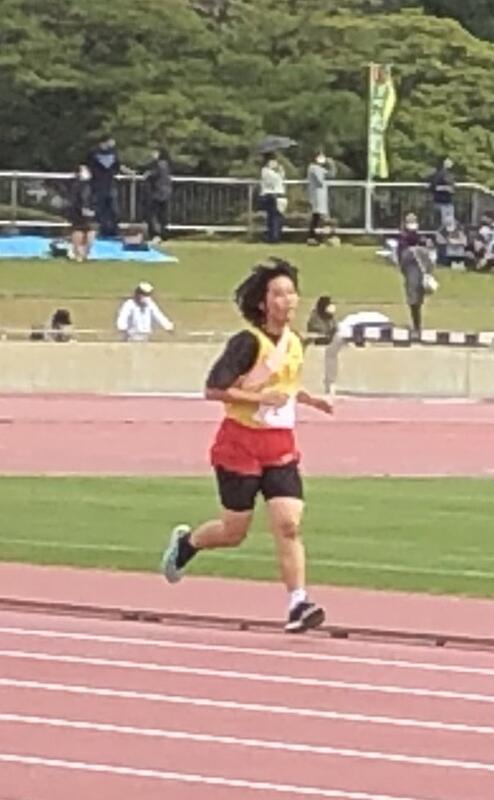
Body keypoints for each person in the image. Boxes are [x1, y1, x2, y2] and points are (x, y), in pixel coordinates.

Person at [161, 259, 333, 633]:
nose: (287, 300)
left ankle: (298, 603)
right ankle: (188, 544)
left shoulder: (295, 342)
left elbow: (285, 385)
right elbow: (214, 389)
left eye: (291, 293)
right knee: (233, 531)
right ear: (262, 302)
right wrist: (258, 399)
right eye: (278, 294)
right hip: (239, 444)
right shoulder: (247, 343)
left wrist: (310, 399)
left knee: (288, 524)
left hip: (280, 445)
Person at [86, 135, 133, 238]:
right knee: (100, 209)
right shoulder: (93, 152)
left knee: (114, 209)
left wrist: (130, 172)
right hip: (98, 184)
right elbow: (86, 164)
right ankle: (103, 230)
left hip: (111, 184)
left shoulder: (113, 153)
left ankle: (114, 230)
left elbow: (118, 165)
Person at [397, 213, 436, 334]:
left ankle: (417, 325)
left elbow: (430, 256)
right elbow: (402, 258)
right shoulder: (403, 239)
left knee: (418, 298)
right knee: (413, 298)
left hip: (420, 271)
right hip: (411, 271)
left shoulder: (421, 239)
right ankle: (416, 325)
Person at [67, 164, 96, 262]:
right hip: (80, 210)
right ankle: (80, 254)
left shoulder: (87, 185)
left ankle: (83, 254)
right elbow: (78, 198)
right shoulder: (79, 185)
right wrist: (84, 208)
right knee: (80, 229)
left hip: (86, 209)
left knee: (89, 230)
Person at [143, 147, 172, 243]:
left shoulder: (159, 165)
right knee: (162, 216)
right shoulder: (166, 164)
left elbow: (153, 175)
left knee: (154, 215)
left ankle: (156, 234)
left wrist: (147, 174)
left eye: (154, 152)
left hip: (158, 193)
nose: (152, 154)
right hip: (165, 193)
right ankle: (163, 234)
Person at [307, 150, 336, 245]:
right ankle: (314, 237)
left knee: (318, 216)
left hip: (322, 195)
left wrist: (331, 165)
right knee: (318, 217)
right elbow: (320, 181)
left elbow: (331, 175)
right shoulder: (312, 167)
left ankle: (315, 237)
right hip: (316, 195)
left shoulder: (320, 168)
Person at [259, 153, 286, 243]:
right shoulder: (266, 171)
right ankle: (274, 237)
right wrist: (279, 173)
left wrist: (280, 172)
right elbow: (274, 181)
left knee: (275, 217)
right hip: (271, 195)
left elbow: (280, 179)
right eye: (273, 161)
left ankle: (274, 236)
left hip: (276, 195)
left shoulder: (272, 171)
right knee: (274, 217)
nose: (275, 163)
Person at [427, 157, 455, 227]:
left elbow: (452, 187)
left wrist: (451, 189)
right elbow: (432, 187)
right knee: (444, 223)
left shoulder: (449, 174)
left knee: (448, 223)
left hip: (447, 201)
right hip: (441, 202)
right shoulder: (439, 174)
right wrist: (445, 188)